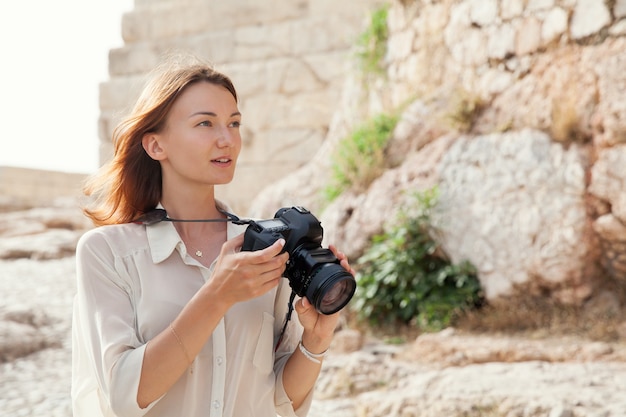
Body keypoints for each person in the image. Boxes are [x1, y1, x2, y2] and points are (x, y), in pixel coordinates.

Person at [71, 54, 355, 417]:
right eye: (205, 123)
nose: (227, 139)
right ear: (156, 145)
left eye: (234, 123)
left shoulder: (266, 249)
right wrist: (216, 296)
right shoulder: (107, 252)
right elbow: (124, 396)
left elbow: (281, 400)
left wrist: (316, 342)